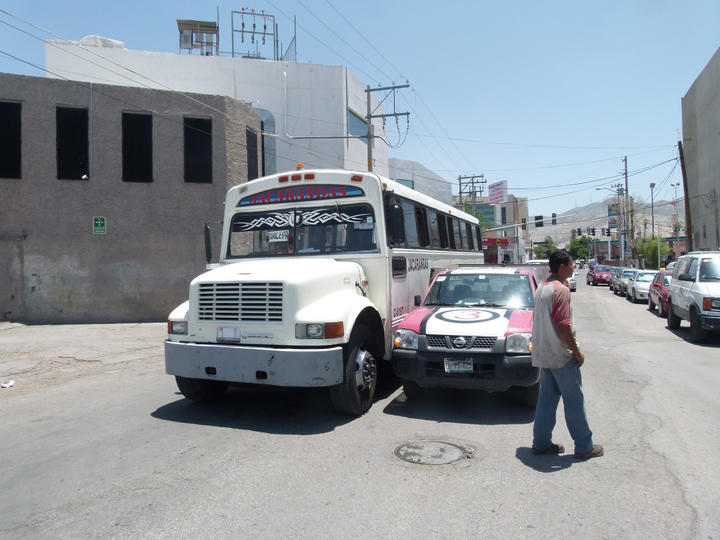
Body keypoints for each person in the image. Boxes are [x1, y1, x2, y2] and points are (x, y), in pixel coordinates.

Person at [530, 249, 604, 460]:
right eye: (571, 264)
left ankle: (541, 443)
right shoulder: (560, 290)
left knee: (547, 400)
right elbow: (563, 327)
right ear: (562, 267)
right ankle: (584, 446)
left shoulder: (541, 287)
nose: (573, 268)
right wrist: (577, 352)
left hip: (544, 353)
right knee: (574, 401)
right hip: (560, 355)